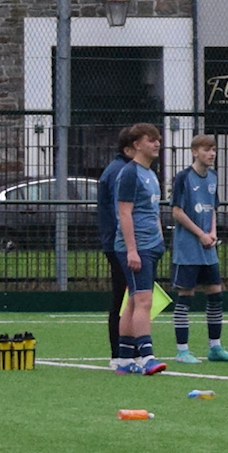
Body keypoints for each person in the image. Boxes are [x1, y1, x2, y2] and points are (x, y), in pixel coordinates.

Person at [167, 134, 228, 364]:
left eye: (213, 150)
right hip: (188, 248)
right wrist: (200, 234)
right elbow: (177, 212)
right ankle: (182, 351)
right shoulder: (183, 178)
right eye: (207, 150)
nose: (212, 154)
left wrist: (213, 232)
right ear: (195, 152)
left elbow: (213, 207)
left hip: (208, 248)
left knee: (215, 293)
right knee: (185, 295)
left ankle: (215, 348)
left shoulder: (213, 177)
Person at [112, 123, 168, 375]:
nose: (156, 144)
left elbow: (153, 211)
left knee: (134, 301)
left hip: (150, 244)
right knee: (144, 300)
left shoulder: (150, 174)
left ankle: (124, 360)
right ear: (136, 145)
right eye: (150, 140)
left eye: (157, 139)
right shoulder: (130, 173)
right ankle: (146, 356)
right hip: (137, 246)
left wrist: (158, 239)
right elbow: (124, 212)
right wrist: (132, 250)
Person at [96, 140, 132, 368]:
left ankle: (126, 350)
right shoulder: (121, 172)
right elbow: (122, 211)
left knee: (128, 296)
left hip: (115, 241)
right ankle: (121, 352)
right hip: (118, 243)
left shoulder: (118, 169)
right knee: (125, 297)